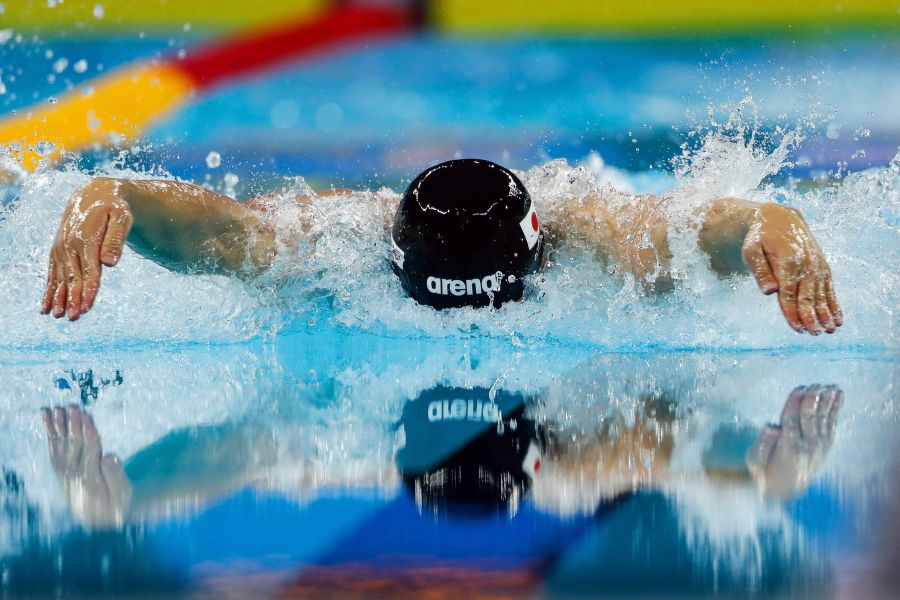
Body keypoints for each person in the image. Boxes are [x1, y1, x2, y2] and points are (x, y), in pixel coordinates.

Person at [40, 158, 842, 334]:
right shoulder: (335, 242)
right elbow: (225, 230)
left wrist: (769, 220)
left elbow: (689, 227)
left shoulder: (594, 240)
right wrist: (116, 197)